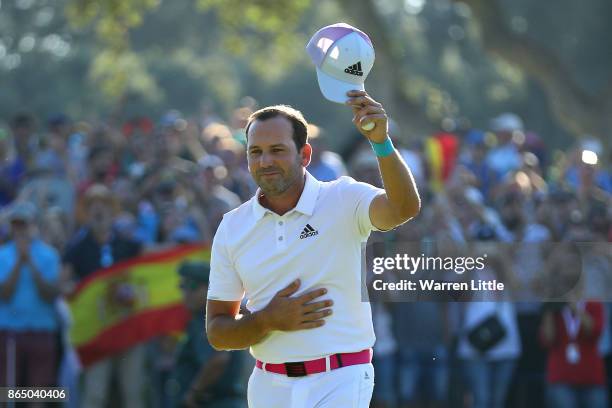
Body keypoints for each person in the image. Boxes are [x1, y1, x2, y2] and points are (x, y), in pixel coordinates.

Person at [206, 90, 421, 408]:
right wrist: (266, 320)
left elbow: (403, 208)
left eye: (277, 150)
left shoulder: (343, 197)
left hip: (341, 377)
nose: (265, 161)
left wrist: (381, 143)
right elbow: (218, 332)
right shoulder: (232, 227)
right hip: (268, 384)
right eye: (256, 152)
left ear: (304, 155)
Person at [61, 184, 145, 408]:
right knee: (95, 394)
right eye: (93, 207)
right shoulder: (77, 248)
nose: (99, 211)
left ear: (112, 211)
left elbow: (151, 266)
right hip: (98, 332)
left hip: (128, 329)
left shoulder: (127, 243)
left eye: (104, 206)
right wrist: (76, 290)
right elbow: (64, 283)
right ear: (87, 213)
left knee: (133, 393)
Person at [0, 201, 61, 404]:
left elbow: (49, 294)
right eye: (16, 225)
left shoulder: (49, 255)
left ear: (34, 226)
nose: (20, 230)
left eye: (24, 224)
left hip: (41, 333)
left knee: (38, 396)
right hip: (11, 334)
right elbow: (5, 294)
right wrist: (19, 261)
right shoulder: (3, 255)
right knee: (8, 395)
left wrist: (31, 263)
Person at [168, 261, 245, 408]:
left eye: (193, 287)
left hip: (215, 402)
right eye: (182, 286)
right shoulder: (221, 314)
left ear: (209, 288)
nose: (186, 293)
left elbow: (218, 359)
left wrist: (194, 392)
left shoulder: (206, 319)